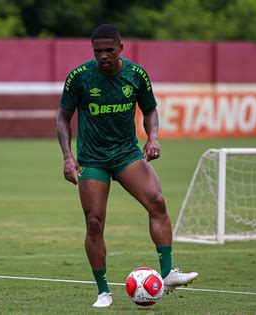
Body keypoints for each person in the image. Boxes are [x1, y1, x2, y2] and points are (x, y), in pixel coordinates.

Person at [56, 24, 198, 308]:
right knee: (94, 222)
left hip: (126, 155)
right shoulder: (79, 78)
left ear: (121, 48)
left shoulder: (136, 75)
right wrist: (67, 156)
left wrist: (153, 138)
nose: (104, 56)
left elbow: (150, 110)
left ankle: (168, 273)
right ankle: (103, 291)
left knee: (157, 202)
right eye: (98, 51)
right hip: (93, 158)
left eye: (109, 50)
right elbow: (63, 118)